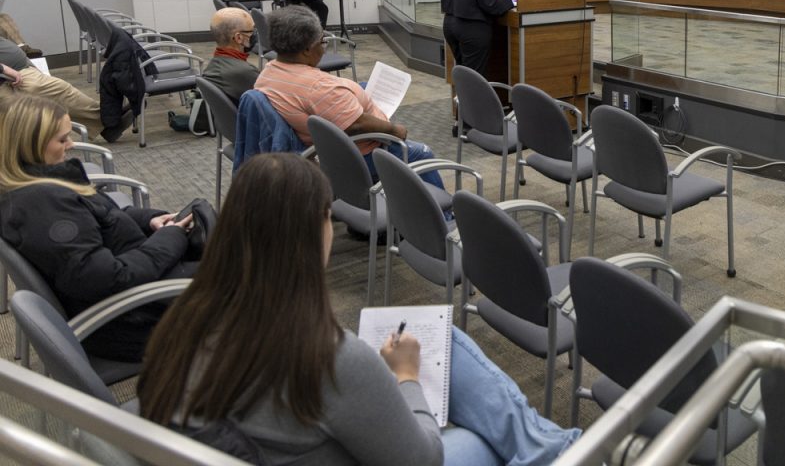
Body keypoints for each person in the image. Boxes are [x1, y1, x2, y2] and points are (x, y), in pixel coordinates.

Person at [138, 153, 579, 466]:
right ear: (314, 236)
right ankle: (563, 452)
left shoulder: (184, 320)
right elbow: (422, 459)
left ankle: (555, 448)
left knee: (450, 343)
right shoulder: (327, 357)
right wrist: (406, 381)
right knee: (478, 440)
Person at [0, 95, 196, 362]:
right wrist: (170, 238)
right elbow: (108, 279)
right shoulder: (44, 204)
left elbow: (104, 217)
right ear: (30, 144)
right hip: (135, 319)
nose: (70, 146)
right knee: (257, 280)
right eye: (61, 139)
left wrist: (149, 220)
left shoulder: (39, 189)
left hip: (137, 297)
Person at [253, 6, 444, 189]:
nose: (325, 47)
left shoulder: (267, 73)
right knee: (422, 153)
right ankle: (443, 218)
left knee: (362, 87)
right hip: (360, 154)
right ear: (306, 50)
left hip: (329, 145)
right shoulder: (320, 88)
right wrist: (395, 129)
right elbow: (356, 125)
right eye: (322, 41)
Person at [1, 35, 108, 136]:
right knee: (49, 90)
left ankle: (104, 120)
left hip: (16, 69)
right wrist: (4, 69)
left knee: (52, 97)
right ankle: (105, 118)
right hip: (9, 74)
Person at [201, 7, 260, 104]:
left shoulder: (214, 64)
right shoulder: (246, 72)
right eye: (252, 30)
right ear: (239, 38)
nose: (254, 34)